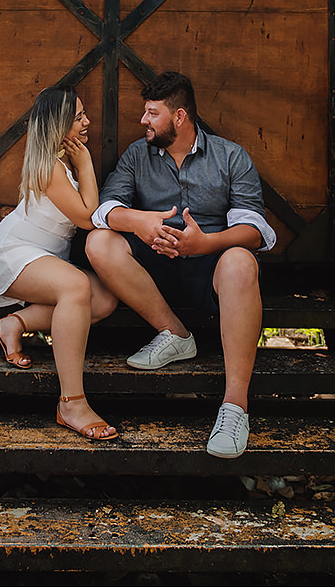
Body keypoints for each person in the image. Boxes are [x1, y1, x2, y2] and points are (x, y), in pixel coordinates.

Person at [85, 71, 276, 458]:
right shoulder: (137, 155)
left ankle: (234, 407)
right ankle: (175, 334)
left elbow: (255, 229)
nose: (143, 121)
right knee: (99, 242)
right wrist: (140, 222)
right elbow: (104, 210)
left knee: (241, 261)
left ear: (179, 117)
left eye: (152, 113)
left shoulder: (230, 156)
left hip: (209, 270)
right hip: (151, 273)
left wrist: (206, 243)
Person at [0, 86, 119, 440]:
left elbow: (89, 212)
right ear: (57, 127)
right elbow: (90, 218)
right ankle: (71, 402)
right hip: (15, 252)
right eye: (78, 118)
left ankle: (13, 323)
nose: (87, 122)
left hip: (41, 255)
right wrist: (86, 162)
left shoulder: (61, 164)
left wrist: (81, 164)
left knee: (103, 299)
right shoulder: (51, 168)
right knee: (76, 286)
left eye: (84, 114)